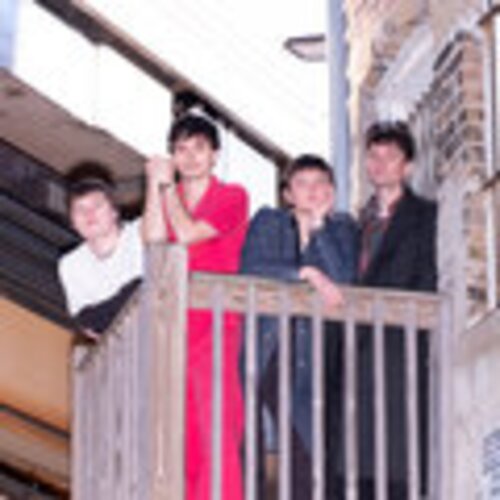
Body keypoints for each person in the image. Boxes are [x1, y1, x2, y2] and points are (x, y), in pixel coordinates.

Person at [142, 113, 249, 500]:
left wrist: (167, 187)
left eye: (198, 148)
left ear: (214, 154)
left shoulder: (232, 195)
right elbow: (153, 241)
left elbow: (188, 234)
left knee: (215, 425)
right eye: (180, 149)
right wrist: (154, 186)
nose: (189, 157)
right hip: (174, 326)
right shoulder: (169, 196)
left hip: (215, 322)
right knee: (180, 432)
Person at [240, 154, 359, 499]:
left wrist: (319, 228)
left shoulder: (342, 229)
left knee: (304, 445)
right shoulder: (269, 221)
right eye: (302, 184)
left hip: (314, 355)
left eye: (320, 183)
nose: (312, 191)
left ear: (332, 191)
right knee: (272, 441)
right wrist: (305, 273)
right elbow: (252, 268)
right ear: (288, 193)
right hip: (269, 346)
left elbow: (344, 279)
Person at [353, 120, 438, 499]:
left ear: (408, 166)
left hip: (402, 349)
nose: (380, 164)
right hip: (359, 354)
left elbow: (428, 278)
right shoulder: (358, 223)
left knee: (402, 461)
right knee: (360, 462)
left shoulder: (426, 216)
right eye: (373, 156)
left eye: (390, 156)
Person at [58, 162, 143, 337]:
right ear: (72, 222)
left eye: (97, 206)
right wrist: (131, 291)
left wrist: (108, 311)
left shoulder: (140, 232)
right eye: (80, 209)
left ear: (114, 211)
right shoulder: (70, 265)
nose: (89, 215)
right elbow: (90, 325)